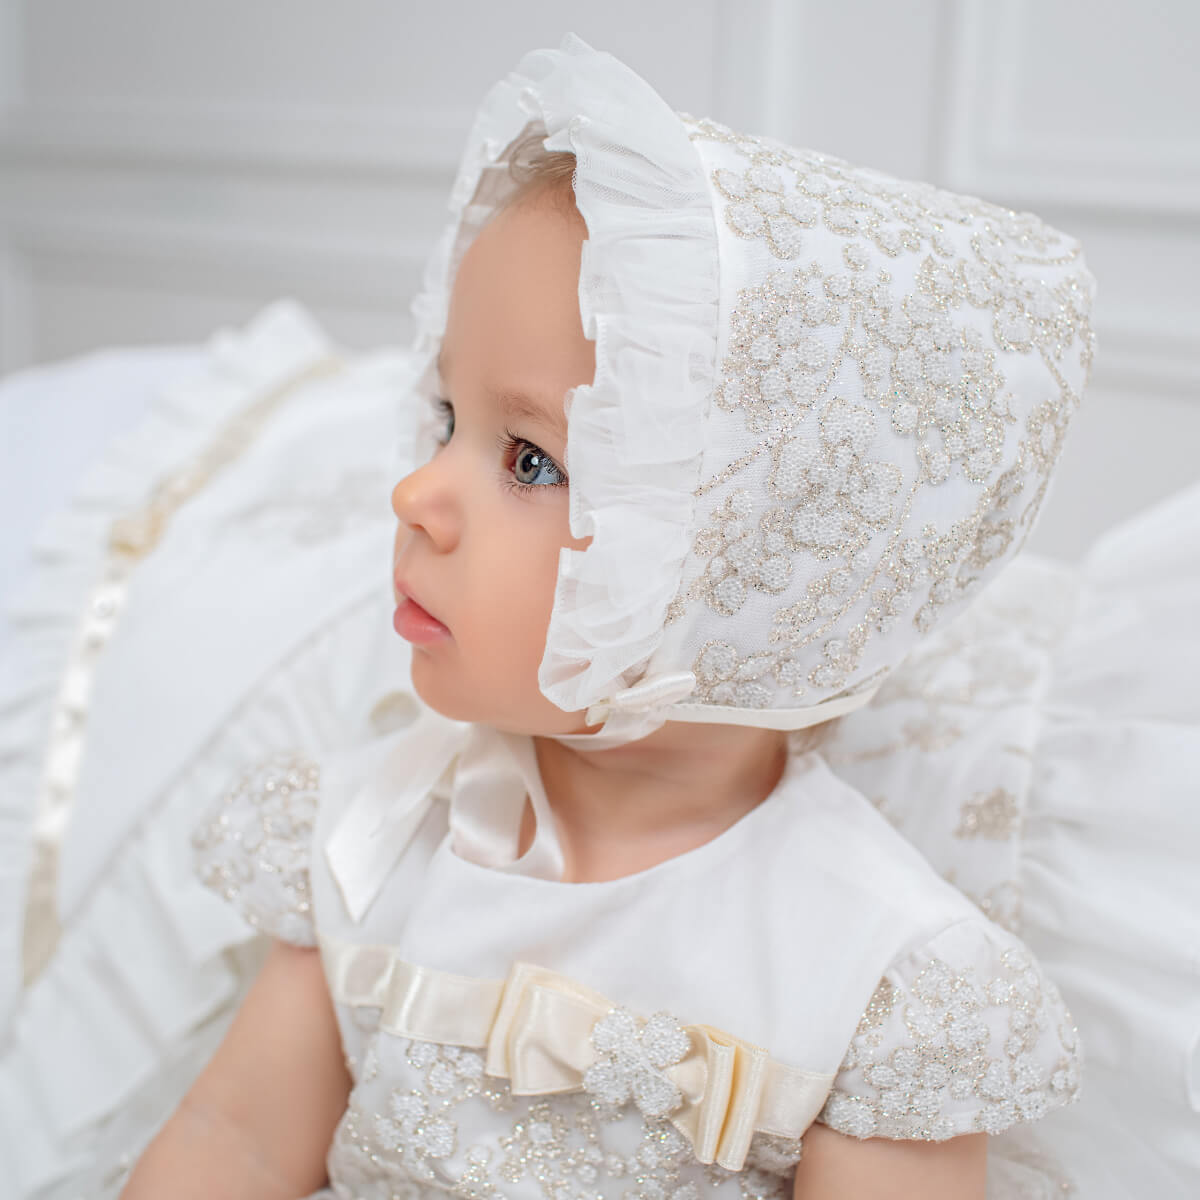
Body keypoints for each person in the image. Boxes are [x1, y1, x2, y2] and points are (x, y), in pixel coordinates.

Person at [10, 30, 1194, 1200]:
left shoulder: (870, 973)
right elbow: (240, 1145)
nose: (417, 496)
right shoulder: (381, 834)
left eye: (528, 460)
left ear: (745, 576)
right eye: (444, 420)